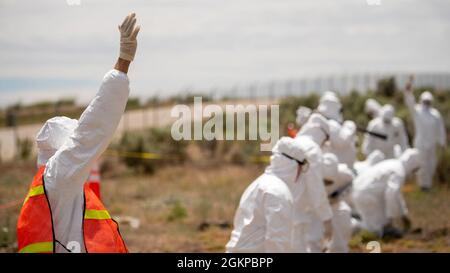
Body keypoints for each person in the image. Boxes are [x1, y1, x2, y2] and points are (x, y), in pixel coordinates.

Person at [16, 13, 140, 253]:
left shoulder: (60, 184)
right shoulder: (58, 176)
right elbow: (92, 129)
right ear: (65, 147)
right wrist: (123, 62)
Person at [226, 137, 308, 253]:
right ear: (293, 165)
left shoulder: (260, 183)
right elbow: (277, 242)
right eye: (301, 167)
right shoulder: (279, 192)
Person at [352, 149, 421, 237]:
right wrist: (392, 218)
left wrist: (402, 214)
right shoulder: (399, 171)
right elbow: (392, 194)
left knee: (377, 225)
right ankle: (346, 223)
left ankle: (351, 220)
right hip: (368, 196)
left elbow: (396, 196)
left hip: (362, 193)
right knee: (375, 231)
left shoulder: (393, 163)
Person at [304, 153, 354, 253]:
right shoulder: (309, 175)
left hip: (336, 205)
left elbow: (349, 188)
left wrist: (338, 197)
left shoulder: (345, 175)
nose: (326, 184)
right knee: (313, 237)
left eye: (329, 182)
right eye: (324, 181)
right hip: (315, 207)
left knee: (343, 221)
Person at [404, 80, 446, 191]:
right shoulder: (417, 112)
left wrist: (442, 142)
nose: (426, 103)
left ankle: (428, 185)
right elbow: (410, 103)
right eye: (425, 101)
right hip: (420, 143)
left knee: (431, 164)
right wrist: (408, 92)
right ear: (422, 100)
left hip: (431, 144)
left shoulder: (435, 114)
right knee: (421, 165)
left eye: (428, 101)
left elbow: (440, 129)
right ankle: (422, 186)